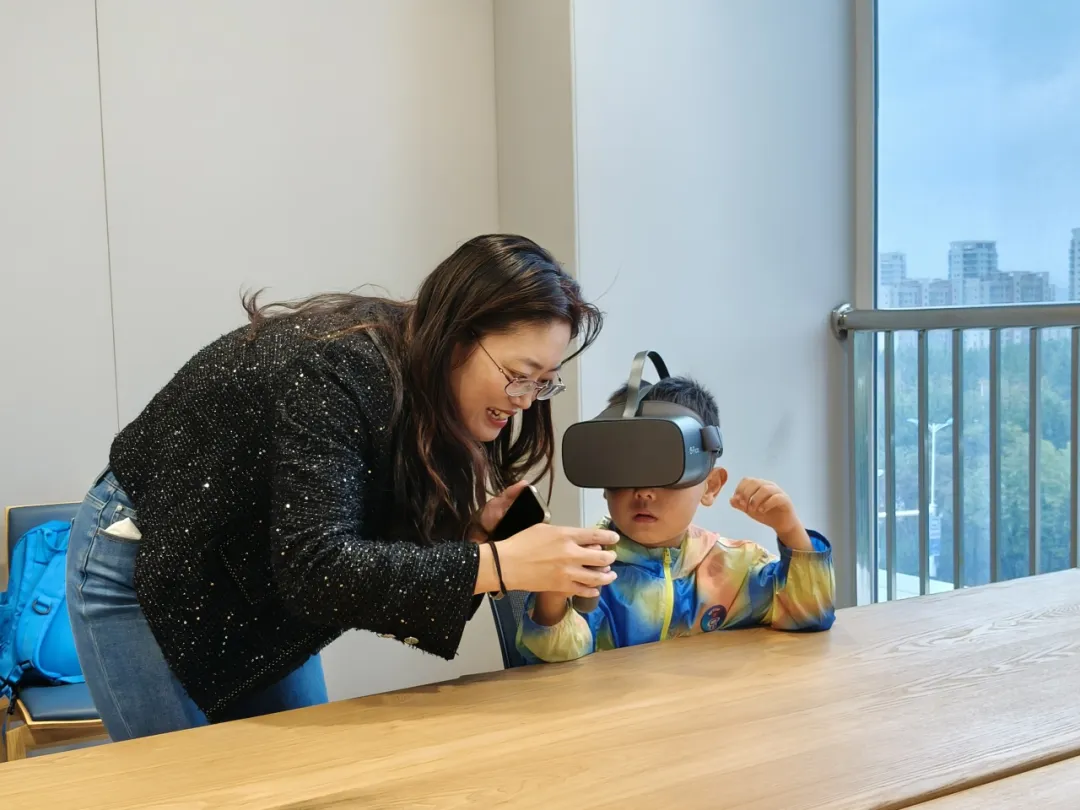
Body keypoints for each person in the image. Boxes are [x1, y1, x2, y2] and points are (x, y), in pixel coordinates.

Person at [66, 234, 620, 740]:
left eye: (543, 382)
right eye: (518, 374)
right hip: (144, 552)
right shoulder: (335, 370)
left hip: (264, 571)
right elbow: (318, 570)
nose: (524, 399)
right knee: (183, 789)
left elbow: (345, 551)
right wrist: (496, 565)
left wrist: (472, 543)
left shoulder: (437, 392)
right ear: (456, 336)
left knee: (302, 781)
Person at [516, 376, 835, 663]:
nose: (643, 492)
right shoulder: (589, 568)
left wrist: (789, 529)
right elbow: (553, 662)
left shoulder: (735, 568)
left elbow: (809, 614)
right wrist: (554, 591)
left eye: (666, 472)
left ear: (710, 486)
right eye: (626, 473)